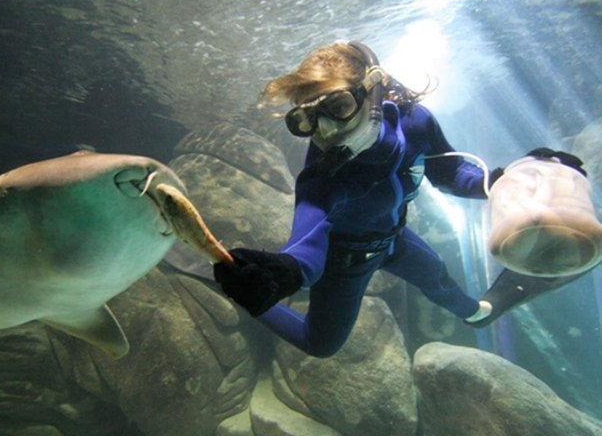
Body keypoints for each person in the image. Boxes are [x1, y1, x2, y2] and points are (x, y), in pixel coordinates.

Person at [213, 41, 498, 358]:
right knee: (321, 345)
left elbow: (449, 170)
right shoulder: (323, 176)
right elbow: (307, 242)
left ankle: (476, 313)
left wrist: (498, 183)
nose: (327, 129)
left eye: (338, 107)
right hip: (344, 260)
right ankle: (243, 294)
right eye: (307, 119)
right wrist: (284, 273)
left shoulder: (415, 122)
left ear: (374, 90)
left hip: (394, 239)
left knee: (438, 279)